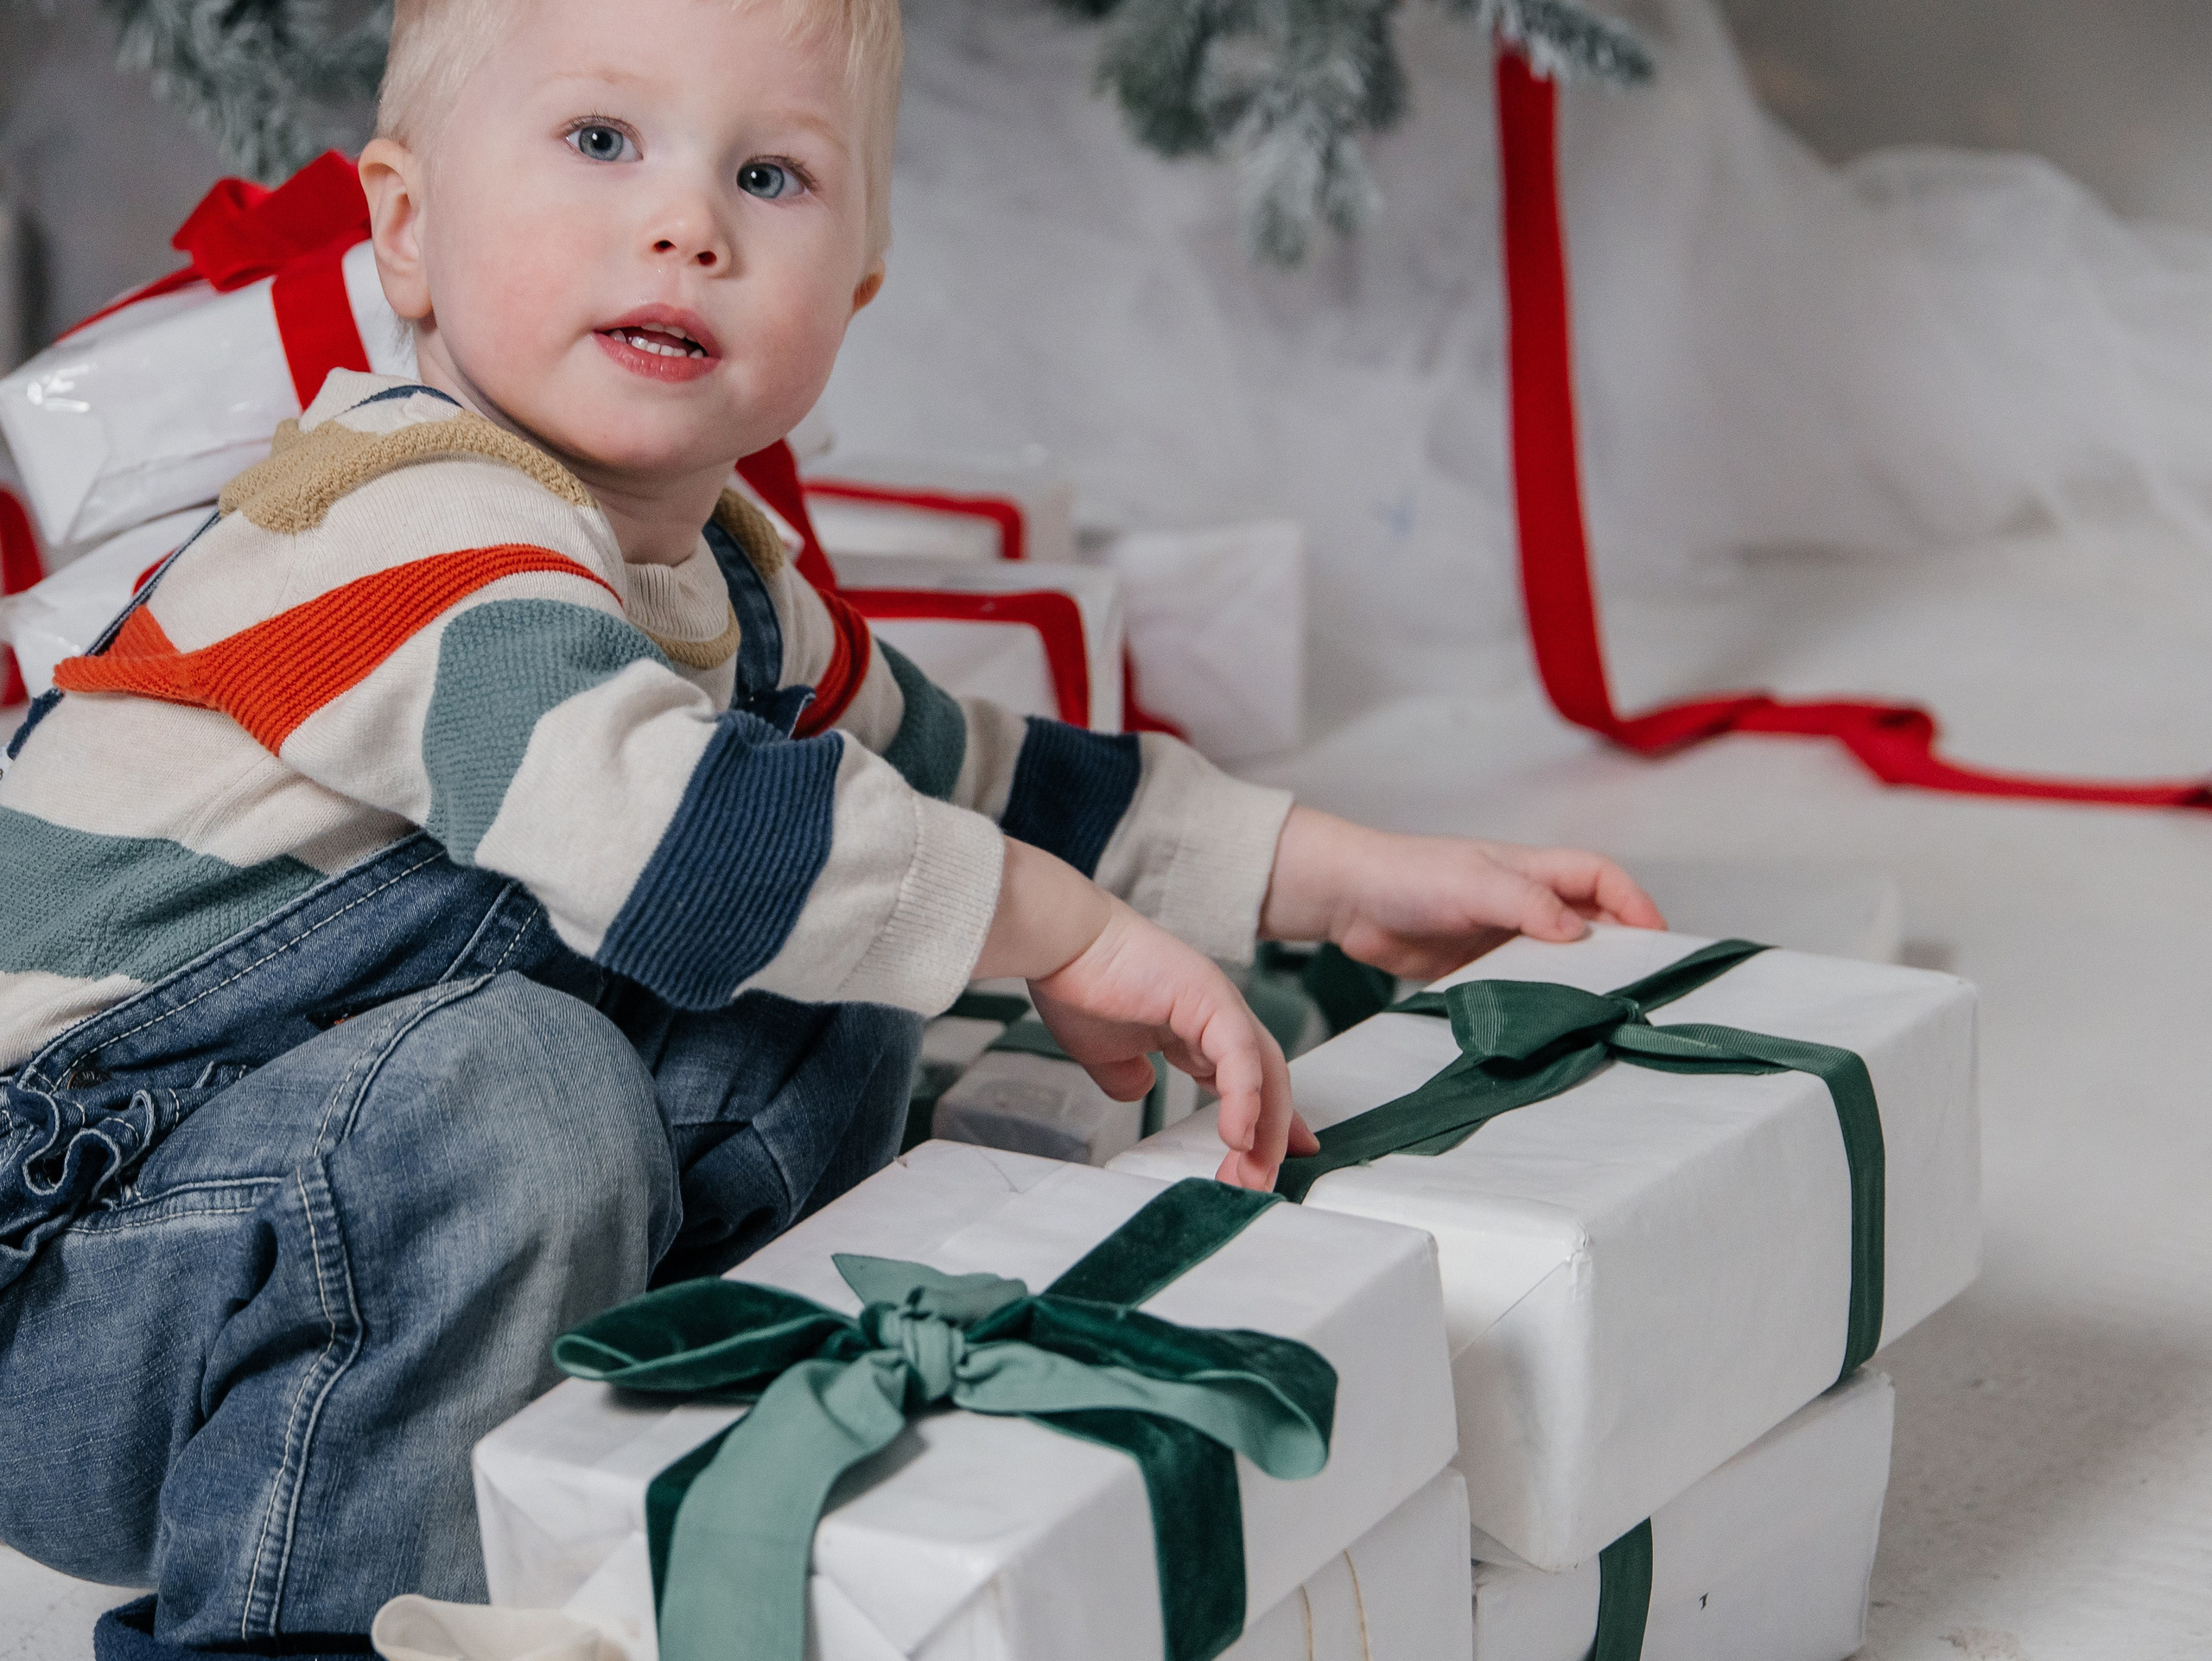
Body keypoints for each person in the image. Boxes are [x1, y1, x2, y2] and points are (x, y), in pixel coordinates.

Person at [0, 0, 1662, 1651]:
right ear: (410, 227)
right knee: (519, 1084)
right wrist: (1064, 936)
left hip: (318, 1202)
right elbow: (690, 839)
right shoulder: (397, 520)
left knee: (838, 986)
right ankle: (310, 1624)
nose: (686, 223)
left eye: (773, 177)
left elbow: (978, 778)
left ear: (857, 287)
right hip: (83, 1273)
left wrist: (1342, 873)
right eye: (599, 142)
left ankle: (657, 1475)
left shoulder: (719, 571)